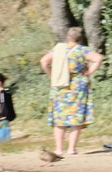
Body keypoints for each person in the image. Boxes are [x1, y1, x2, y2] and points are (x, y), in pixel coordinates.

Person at [39, 25, 100, 161]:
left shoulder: (58, 49)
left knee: (59, 119)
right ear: (80, 39)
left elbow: (43, 61)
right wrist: (89, 73)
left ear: (68, 38)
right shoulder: (83, 50)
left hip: (60, 85)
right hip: (77, 85)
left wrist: (52, 75)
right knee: (76, 117)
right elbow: (98, 59)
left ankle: (59, 148)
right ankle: (71, 149)